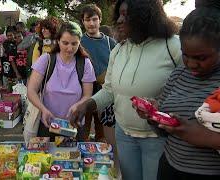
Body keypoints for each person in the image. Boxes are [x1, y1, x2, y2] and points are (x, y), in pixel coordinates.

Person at [69, 0, 182, 180]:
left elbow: (192, 87)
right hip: (124, 135)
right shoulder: (119, 50)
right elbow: (109, 90)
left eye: (126, 15)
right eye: (119, 15)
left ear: (146, 16)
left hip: (158, 138)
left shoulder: (173, 47)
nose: (120, 20)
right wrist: (86, 105)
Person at [134, 6, 220, 180]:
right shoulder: (179, 74)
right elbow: (164, 132)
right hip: (169, 167)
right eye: (186, 55)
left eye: (201, 58)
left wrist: (199, 134)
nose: (191, 64)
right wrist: (153, 115)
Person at [27, 21, 96, 141]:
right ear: (58, 41)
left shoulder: (85, 63)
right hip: (47, 123)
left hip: (74, 124)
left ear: (80, 42)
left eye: (74, 43)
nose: (70, 48)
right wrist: (43, 110)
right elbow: (31, 91)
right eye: (65, 43)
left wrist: (78, 106)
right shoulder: (46, 60)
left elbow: (87, 95)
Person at [80, 4, 116, 142]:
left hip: (105, 90)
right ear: (83, 22)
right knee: (84, 124)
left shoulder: (110, 42)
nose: (91, 23)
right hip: (84, 89)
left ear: (100, 20)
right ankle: (84, 148)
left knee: (102, 128)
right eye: (87, 20)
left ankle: (100, 151)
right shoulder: (79, 42)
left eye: (94, 19)